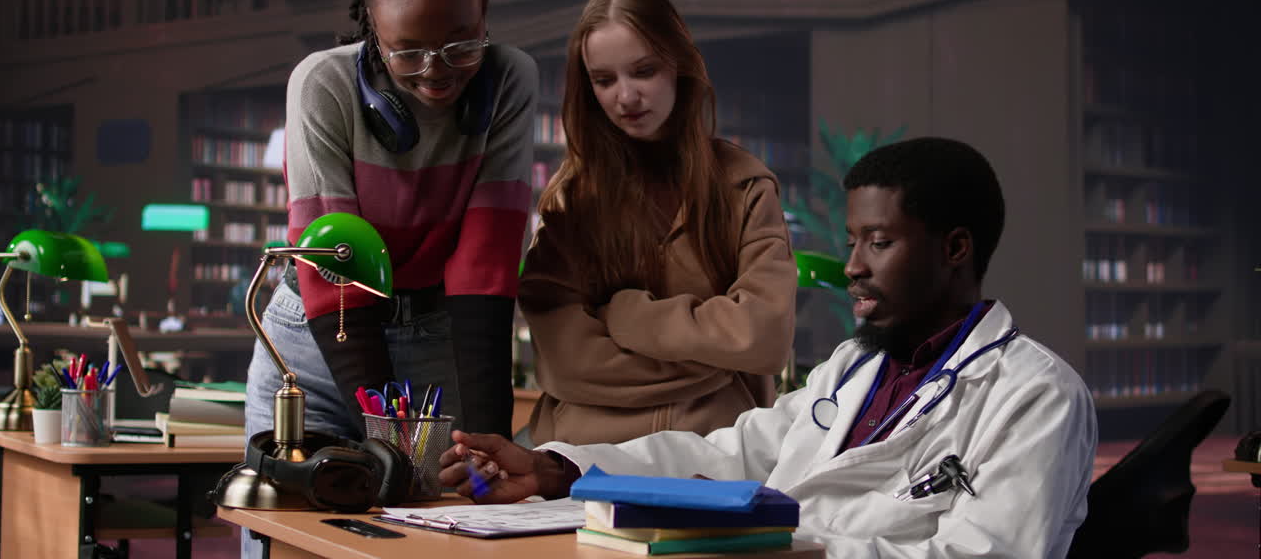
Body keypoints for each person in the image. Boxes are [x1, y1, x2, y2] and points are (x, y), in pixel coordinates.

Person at [442, 137, 1098, 559]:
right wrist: (559, 469)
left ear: (955, 249)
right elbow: (727, 454)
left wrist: (781, 546)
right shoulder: (854, 367)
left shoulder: (1035, 396)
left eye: (880, 242)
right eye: (852, 241)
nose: (852, 268)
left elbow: (987, 556)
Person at [244, 0, 537, 454]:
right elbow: (334, 262)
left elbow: (486, 265)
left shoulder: (511, 80)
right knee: (292, 524)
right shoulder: (321, 85)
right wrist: (386, 434)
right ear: (374, 30)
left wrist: (493, 442)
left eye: (461, 46)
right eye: (408, 52)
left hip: (435, 334)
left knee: (444, 516)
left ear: (484, 13)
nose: (436, 73)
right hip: (317, 338)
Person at [517, 0, 797, 446]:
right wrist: (713, 361)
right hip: (583, 455)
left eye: (643, 71)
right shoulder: (573, 196)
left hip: (715, 453)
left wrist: (625, 317)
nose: (625, 97)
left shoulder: (744, 184)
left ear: (678, 66)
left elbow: (762, 337)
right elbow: (565, 361)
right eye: (604, 80)